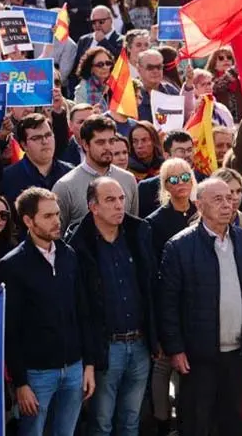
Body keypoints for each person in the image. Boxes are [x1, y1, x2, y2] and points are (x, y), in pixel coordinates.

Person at [159, 178, 242, 436]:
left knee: (232, 420)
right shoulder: (179, 247)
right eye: (218, 199)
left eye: (229, 198)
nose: (227, 205)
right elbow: (168, 303)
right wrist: (175, 349)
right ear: (199, 205)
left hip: (238, 353)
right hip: (198, 356)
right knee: (197, 421)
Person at [0, 188, 95, 436]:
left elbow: (83, 312)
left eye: (57, 214)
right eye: (48, 216)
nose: (56, 221)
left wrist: (89, 365)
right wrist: (20, 383)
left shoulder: (69, 255)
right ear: (29, 221)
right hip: (37, 374)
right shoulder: (12, 265)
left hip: (74, 368)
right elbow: (10, 328)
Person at [65, 178, 158, 436]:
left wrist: (155, 337)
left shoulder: (138, 233)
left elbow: (150, 288)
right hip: (105, 348)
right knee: (101, 423)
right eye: (110, 200)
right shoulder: (78, 245)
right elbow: (81, 306)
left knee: (131, 420)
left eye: (121, 199)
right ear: (93, 207)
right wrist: (89, 358)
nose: (119, 206)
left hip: (139, 344)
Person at [143, 158, 197, 436]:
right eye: (173, 180)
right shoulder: (154, 223)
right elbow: (153, 276)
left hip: (198, 306)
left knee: (190, 372)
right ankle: (163, 424)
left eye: (185, 176)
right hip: (168, 303)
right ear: (165, 185)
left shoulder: (202, 212)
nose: (181, 183)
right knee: (164, 368)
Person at [53, 115, 138, 233]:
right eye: (100, 142)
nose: (108, 147)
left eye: (111, 141)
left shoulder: (128, 179)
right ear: (85, 145)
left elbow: (132, 228)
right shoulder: (65, 186)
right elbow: (58, 236)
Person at [0, 113, 74, 211]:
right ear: (24, 145)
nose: (45, 141)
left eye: (48, 135)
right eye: (37, 138)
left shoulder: (71, 173)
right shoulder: (7, 178)